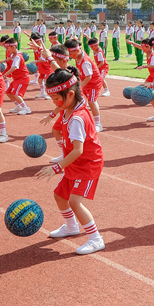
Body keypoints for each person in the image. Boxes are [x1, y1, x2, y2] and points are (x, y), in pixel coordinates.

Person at [37, 68, 106, 255]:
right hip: (75, 162)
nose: (55, 104)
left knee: (75, 202)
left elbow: (78, 150)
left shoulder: (76, 118)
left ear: (70, 94)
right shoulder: (70, 105)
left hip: (88, 164)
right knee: (59, 195)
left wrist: (57, 167)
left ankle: (96, 239)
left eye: (56, 100)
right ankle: (71, 226)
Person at [67, 39, 103, 132]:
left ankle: (98, 124)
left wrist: (80, 86)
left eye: (70, 54)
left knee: (91, 102)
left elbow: (89, 76)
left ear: (76, 50)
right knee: (81, 101)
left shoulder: (85, 61)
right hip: (86, 81)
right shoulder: (78, 55)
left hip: (93, 83)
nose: (69, 56)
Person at [1, 36, 33, 115]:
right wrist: (4, 60)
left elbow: (14, 67)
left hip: (23, 78)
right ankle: (19, 106)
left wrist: (4, 75)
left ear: (13, 47)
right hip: (17, 78)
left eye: (7, 48)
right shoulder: (13, 55)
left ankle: (26, 108)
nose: (6, 50)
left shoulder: (17, 57)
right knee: (9, 92)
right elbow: (10, 59)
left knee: (16, 93)